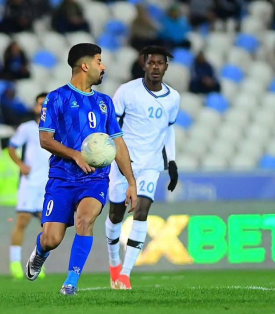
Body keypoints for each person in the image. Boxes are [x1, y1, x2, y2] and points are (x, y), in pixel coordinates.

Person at [25, 43, 137, 296]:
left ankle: (71, 283)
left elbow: (118, 143)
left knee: (86, 220)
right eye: (99, 61)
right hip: (62, 179)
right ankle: (41, 250)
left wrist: (131, 181)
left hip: (94, 179)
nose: (103, 66)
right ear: (85, 65)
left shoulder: (105, 103)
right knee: (52, 238)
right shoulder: (57, 98)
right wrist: (76, 154)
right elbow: (45, 139)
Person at [105, 46, 180, 290]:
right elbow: (112, 124)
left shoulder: (173, 98)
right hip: (123, 162)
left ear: (166, 67)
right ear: (144, 65)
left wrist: (172, 162)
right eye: (151, 63)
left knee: (142, 211)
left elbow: (169, 130)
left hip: (150, 165)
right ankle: (114, 262)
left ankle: (125, 275)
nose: (156, 67)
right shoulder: (127, 91)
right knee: (115, 215)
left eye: (160, 63)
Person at [7, 93, 50, 280]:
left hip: (49, 184)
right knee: (22, 222)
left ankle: (37, 263)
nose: (43, 108)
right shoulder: (27, 128)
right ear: (35, 107)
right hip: (30, 183)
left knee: (47, 227)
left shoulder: (58, 127)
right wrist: (21, 165)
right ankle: (15, 263)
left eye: (46, 104)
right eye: (40, 104)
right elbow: (11, 147)